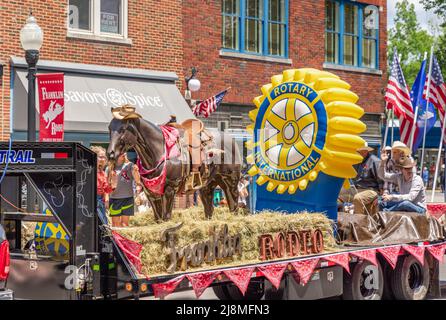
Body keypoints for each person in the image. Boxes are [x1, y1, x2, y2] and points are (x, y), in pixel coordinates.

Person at [339, 142, 382, 216]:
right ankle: (340, 218)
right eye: (359, 151)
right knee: (338, 193)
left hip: (371, 190)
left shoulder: (375, 161)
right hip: (357, 188)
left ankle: (360, 223)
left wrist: (380, 197)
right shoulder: (357, 160)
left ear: (367, 151)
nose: (360, 153)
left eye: (363, 151)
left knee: (358, 198)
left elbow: (381, 180)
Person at [107, 153, 143, 227]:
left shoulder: (130, 165)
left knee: (125, 224)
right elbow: (107, 186)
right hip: (115, 199)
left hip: (128, 198)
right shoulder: (109, 168)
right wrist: (107, 199)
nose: (124, 153)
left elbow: (138, 181)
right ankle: (116, 239)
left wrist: (136, 172)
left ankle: (123, 239)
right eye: (121, 152)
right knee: (115, 224)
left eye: (124, 151)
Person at [90, 146, 117, 224]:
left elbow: (106, 189)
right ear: (94, 157)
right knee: (100, 224)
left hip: (99, 201)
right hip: (91, 200)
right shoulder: (89, 170)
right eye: (100, 157)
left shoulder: (102, 173)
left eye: (104, 157)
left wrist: (113, 184)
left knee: (103, 224)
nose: (103, 159)